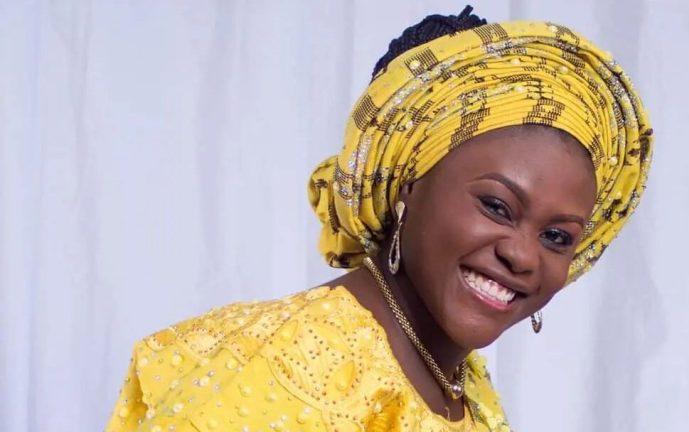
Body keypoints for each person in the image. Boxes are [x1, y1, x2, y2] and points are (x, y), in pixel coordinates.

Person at [106, 6, 653, 432]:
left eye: (556, 236)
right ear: (407, 184)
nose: (522, 254)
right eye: (495, 206)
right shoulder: (290, 364)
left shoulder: (459, 383)